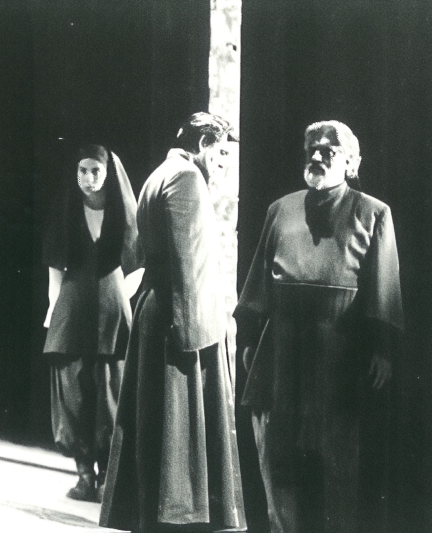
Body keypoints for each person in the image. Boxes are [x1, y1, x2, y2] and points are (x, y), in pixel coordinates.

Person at [234, 120, 403, 533]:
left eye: (329, 150)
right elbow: (258, 281)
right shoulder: (280, 209)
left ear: (351, 163)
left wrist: (382, 348)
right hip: (280, 349)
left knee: (337, 461)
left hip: (337, 351)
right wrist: (250, 338)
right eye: (312, 147)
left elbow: (384, 287)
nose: (316, 155)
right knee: (275, 456)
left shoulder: (373, 212)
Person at [100, 113, 246, 533]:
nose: (223, 163)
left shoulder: (160, 174)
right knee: (178, 426)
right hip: (179, 318)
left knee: (159, 425)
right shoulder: (187, 179)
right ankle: (179, 519)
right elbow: (189, 264)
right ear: (201, 144)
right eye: (220, 153)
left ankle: (159, 517)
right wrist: (195, 338)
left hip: (160, 311)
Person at [43, 144, 143, 502]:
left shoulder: (122, 211)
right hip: (73, 303)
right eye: (82, 171)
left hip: (111, 308)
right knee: (73, 389)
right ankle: (84, 474)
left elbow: (138, 263)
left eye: (95, 171)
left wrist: (120, 300)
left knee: (109, 393)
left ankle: (105, 479)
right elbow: (55, 264)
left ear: (108, 173)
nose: (88, 178)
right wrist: (54, 307)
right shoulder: (67, 208)